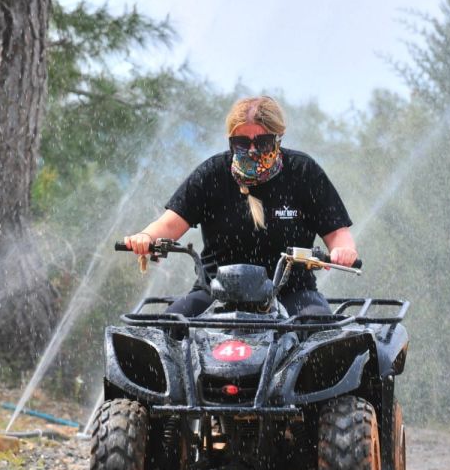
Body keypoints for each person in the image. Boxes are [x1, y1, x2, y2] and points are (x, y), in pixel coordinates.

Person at [124, 95, 358, 317]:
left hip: (292, 292)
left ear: (279, 137)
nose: (253, 151)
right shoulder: (213, 173)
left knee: (319, 330)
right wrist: (145, 236)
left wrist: (343, 251)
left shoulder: (304, 172)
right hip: (216, 291)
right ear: (231, 141)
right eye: (242, 143)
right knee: (169, 327)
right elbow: (170, 223)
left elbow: (337, 232)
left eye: (263, 142)